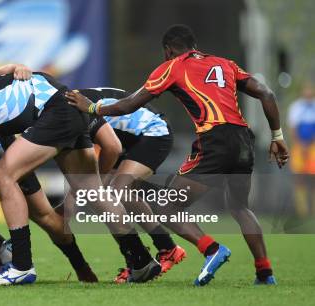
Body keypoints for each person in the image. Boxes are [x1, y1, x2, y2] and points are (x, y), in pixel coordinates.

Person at [67, 24, 289, 286]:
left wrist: (92, 107)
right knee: (240, 207)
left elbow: (130, 104)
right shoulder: (225, 64)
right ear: (194, 45)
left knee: (166, 204)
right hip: (243, 139)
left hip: (214, 139)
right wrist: (277, 137)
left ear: (168, 50)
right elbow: (267, 93)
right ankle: (265, 273)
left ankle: (211, 249)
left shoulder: (172, 66)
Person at [0, 55, 160, 286]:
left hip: (54, 112)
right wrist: (11, 67)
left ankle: (21, 266)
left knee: (2, 176)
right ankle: (140, 260)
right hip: (68, 103)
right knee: (92, 191)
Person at [78, 87, 186, 283]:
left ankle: (161, 250)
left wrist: (98, 181)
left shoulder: (70, 109)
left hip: (153, 132)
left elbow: (110, 148)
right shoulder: (69, 100)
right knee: (106, 201)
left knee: (116, 192)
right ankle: (147, 255)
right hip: (128, 138)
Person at [287, 84, 315, 217]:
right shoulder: (296, 107)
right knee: (299, 177)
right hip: (299, 146)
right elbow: (293, 128)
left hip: (313, 146)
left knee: (313, 177)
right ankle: (302, 211)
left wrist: (310, 144)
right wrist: (300, 144)